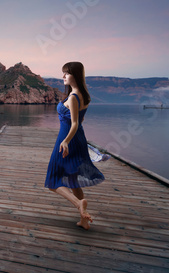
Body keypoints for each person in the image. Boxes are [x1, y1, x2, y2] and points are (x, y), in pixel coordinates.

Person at [45, 61, 105, 230]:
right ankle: (84, 220)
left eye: (67, 73)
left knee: (52, 181)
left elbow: (74, 123)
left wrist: (65, 141)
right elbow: (82, 120)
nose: (63, 76)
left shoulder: (73, 97)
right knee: (74, 180)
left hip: (67, 139)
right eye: (63, 73)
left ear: (76, 75)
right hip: (79, 139)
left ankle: (78, 204)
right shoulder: (85, 96)